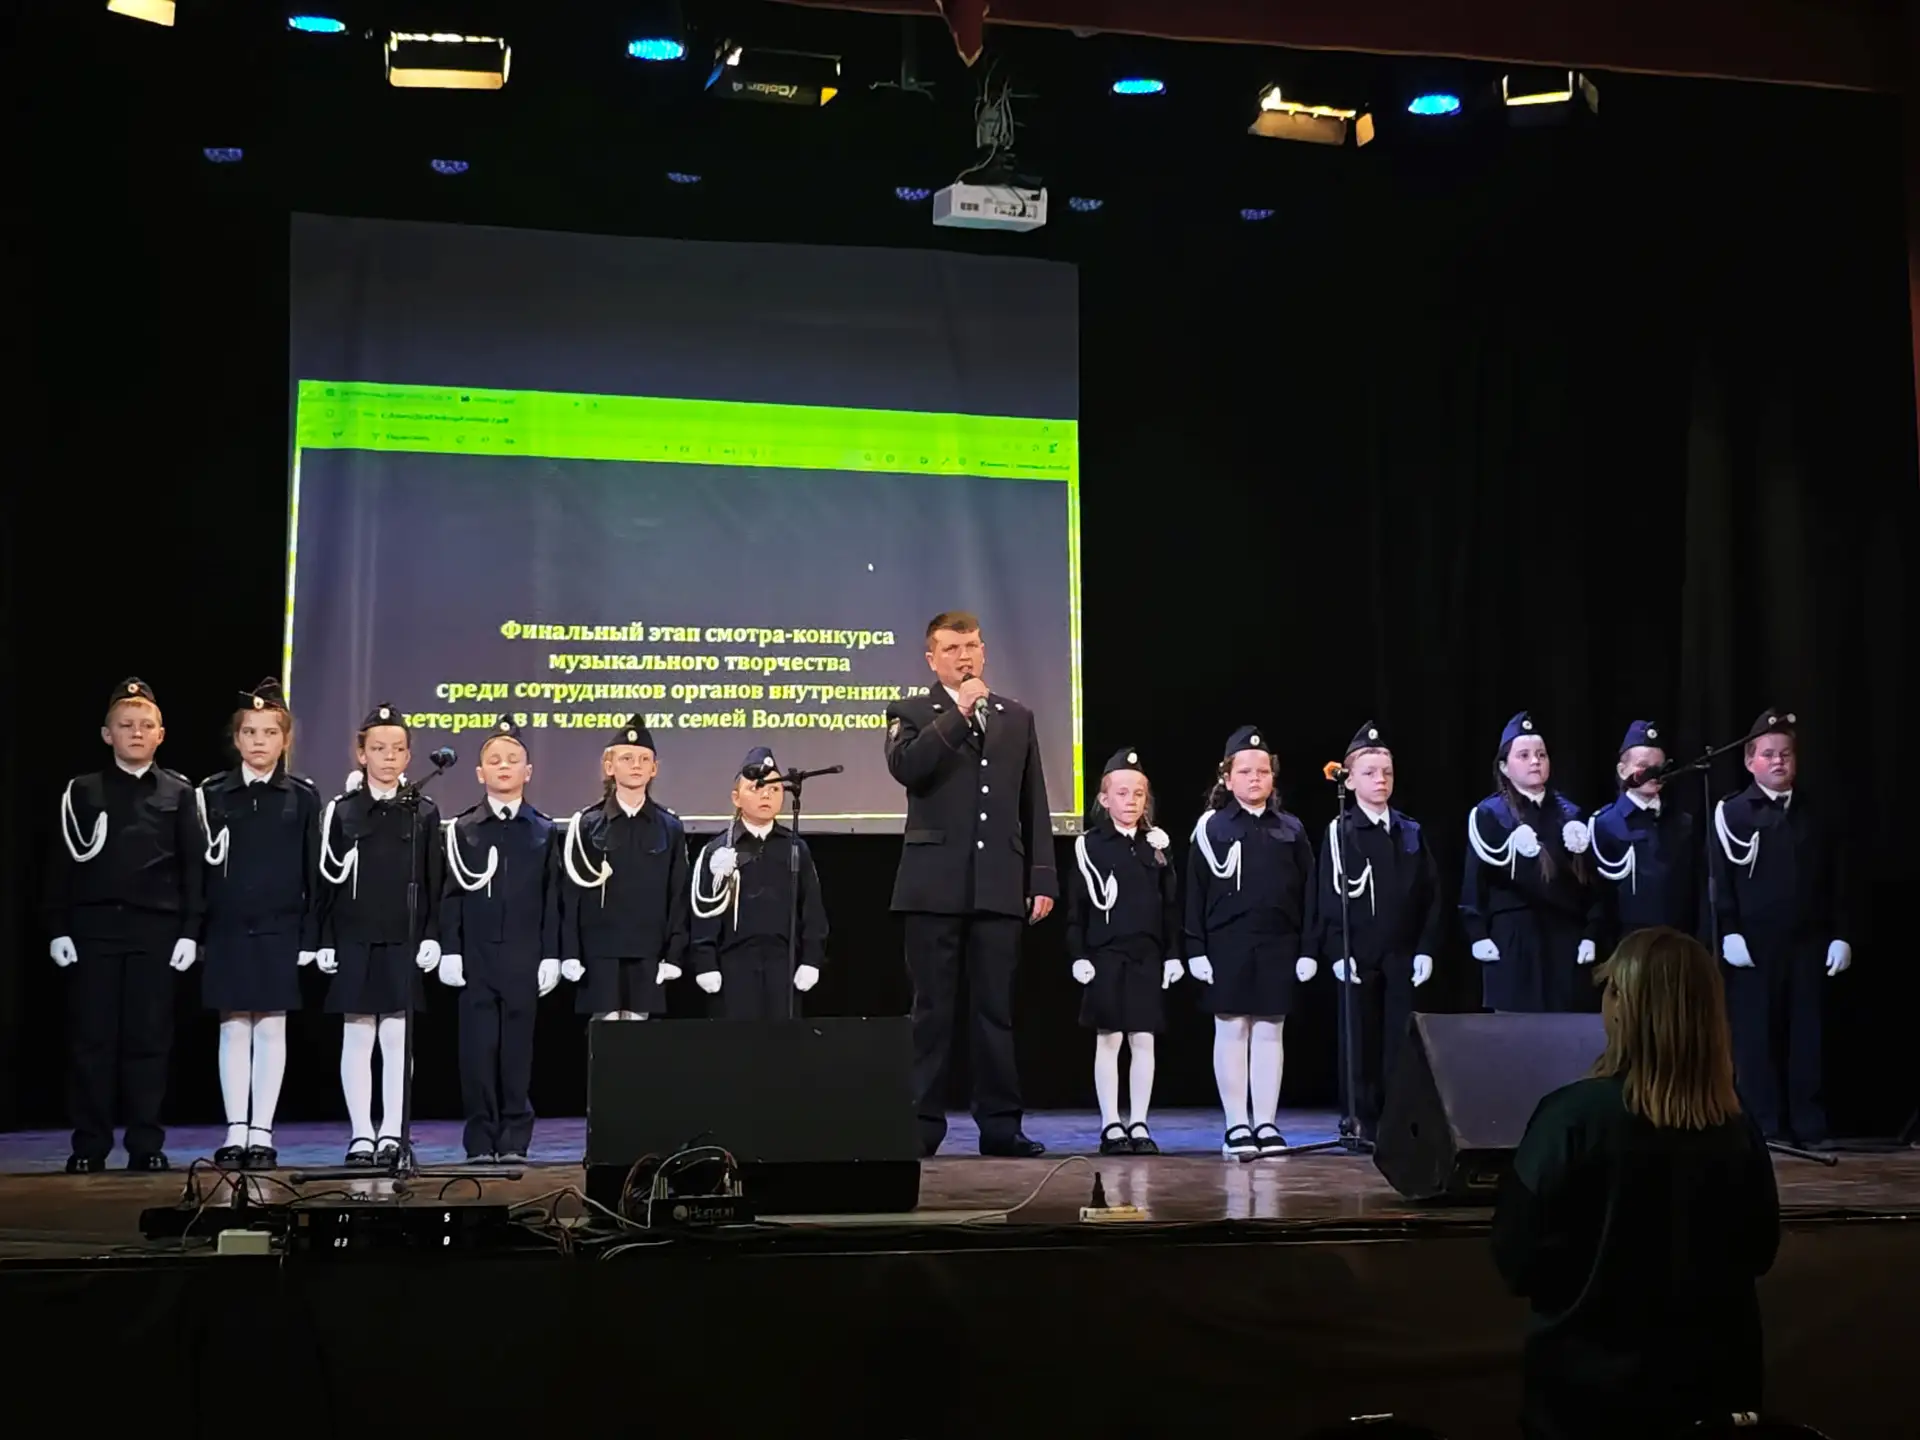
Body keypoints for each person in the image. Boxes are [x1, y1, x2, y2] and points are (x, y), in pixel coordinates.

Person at [1491, 927, 1780, 1440]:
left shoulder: (1570, 1119)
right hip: (1714, 1396)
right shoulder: (1739, 1128)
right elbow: (1759, 1250)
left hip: (1588, 1404)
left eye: (1610, 990)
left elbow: (1517, 1259)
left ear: (1623, 1007)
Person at [883, 611, 1057, 1158]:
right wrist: (959, 712)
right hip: (932, 886)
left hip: (998, 883)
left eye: (973, 646)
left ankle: (1001, 1126)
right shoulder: (912, 712)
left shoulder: (1016, 716)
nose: (966, 657)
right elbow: (908, 767)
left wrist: (1042, 876)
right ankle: (920, 1124)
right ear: (931, 658)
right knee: (932, 1011)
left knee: (994, 1011)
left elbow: (1034, 800)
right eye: (953, 648)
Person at [44, 677, 204, 1173]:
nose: (136, 733)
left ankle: (145, 1143)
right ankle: (89, 1145)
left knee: (148, 1042)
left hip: (155, 931)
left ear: (161, 734)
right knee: (92, 1042)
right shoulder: (82, 790)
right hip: (94, 930)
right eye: (126, 725)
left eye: (146, 726)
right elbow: (60, 864)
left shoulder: (180, 792)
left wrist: (190, 931)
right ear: (106, 733)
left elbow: (194, 868)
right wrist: (57, 926)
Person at [195, 678, 321, 1171]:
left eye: (270, 732)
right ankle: (235, 1129)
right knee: (233, 1027)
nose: (259, 741)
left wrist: (310, 934)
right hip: (227, 927)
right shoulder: (211, 793)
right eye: (250, 732)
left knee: (270, 1027)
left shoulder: (302, 797)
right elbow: (198, 868)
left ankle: (262, 1130)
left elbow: (313, 871)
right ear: (237, 738)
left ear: (284, 740)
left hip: (279, 927)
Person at [1710, 707, 1849, 1145]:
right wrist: (1728, 930)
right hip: (1754, 945)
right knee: (1756, 1038)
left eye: (1785, 754)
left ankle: (1809, 1122)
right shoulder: (1732, 813)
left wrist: (1842, 934)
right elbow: (1718, 879)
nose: (1778, 761)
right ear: (1750, 760)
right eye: (1768, 754)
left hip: (1808, 942)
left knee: (1808, 1037)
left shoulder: (1816, 813)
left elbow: (1839, 879)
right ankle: (1763, 1125)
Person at [313, 703, 444, 1166]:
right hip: (354, 935)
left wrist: (432, 935)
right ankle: (361, 1135)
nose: (388, 757)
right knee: (357, 1036)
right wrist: (323, 938)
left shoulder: (423, 812)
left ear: (408, 756)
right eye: (379, 748)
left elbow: (434, 881)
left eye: (397, 749)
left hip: (402, 936)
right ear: (361, 753)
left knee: (396, 1038)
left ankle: (392, 1132)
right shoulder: (342, 811)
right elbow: (326, 881)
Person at [1303, 722, 1442, 1139]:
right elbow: (1328, 896)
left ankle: (1396, 1119)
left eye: (1387, 772)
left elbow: (1431, 894)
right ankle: (1359, 1117)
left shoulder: (1409, 830)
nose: (1380, 780)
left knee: (1401, 1039)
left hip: (1401, 952)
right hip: (1359, 951)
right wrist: (1336, 950)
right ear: (1350, 779)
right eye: (1369, 772)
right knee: (1359, 1038)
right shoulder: (1341, 831)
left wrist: (1426, 947)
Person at [1187, 725, 1317, 1159]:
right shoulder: (1212, 828)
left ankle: (1266, 1121)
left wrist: (1308, 948)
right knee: (1231, 1030)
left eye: (1263, 771)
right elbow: (1195, 892)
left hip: (1279, 941)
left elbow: (1311, 892)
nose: (1255, 778)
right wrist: (1194, 948)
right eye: (1245, 771)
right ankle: (1236, 1124)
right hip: (1228, 942)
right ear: (1227, 778)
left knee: (1269, 1032)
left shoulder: (1291, 828)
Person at [438, 716, 561, 1164]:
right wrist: (450, 949)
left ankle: (513, 1138)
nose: (504, 766)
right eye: (494, 760)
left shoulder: (544, 830)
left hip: (525, 956)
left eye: (513, 759)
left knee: (517, 1052)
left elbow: (553, 898)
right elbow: (450, 895)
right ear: (479, 773)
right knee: (477, 1050)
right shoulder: (463, 829)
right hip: (477, 955)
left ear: (528, 771)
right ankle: (479, 1137)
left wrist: (552, 954)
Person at [1066, 748, 1182, 1155]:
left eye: (1138, 794)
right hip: (1106, 956)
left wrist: (1173, 954)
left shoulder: (1157, 845)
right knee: (1109, 1039)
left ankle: (1140, 1122)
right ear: (1104, 798)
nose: (1131, 801)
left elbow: (1170, 905)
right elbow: (1077, 908)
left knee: (1143, 1039)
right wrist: (1078, 955)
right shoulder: (1090, 845)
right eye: (1121, 793)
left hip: (1147, 955)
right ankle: (1111, 1123)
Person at [1461, 712, 1603, 1014]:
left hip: (1564, 935)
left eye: (1541, 754)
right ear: (1504, 766)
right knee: (1514, 1026)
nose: (1535, 762)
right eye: (1523, 755)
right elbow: (1474, 881)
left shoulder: (1571, 814)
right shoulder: (1490, 815)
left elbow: (1591, 884)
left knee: (1564, 1025)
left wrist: (1591, 933)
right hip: (1514, 936)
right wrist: (1478, 934)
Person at [560, 715, 689, 1022]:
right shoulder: (587, 825)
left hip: (648, 951)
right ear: (609, 766)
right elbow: (571, 895)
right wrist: (570, 952)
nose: (636, 765)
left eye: (644, 759)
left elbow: (678, 896)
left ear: (654, 769)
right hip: (599, 952)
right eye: (627, 758)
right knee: (603, 1037)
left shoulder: (669, 826)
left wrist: (674, 953)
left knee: (638, 1041)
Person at [688, 747, 828, 1020]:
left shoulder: (794, 847)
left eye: (775, 789)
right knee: (736, 1042)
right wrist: (705, 962)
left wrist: (811, 960)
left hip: (784, 964)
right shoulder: (718, 849)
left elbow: (812, 909)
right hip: (733, 965)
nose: (766, 795)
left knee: (783, 1042)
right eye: (757, 788)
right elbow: (703, 912)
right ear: (736, 797)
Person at [1589, 719, 1703, 944]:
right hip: (1627, 943)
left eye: (1658, 766)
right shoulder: (1604, 824)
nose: (1652, 773)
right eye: (1643, 766)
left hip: (1679, 940)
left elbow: (1696, 887)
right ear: (1622, 770)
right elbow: (1598, 894)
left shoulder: (1683, 822)